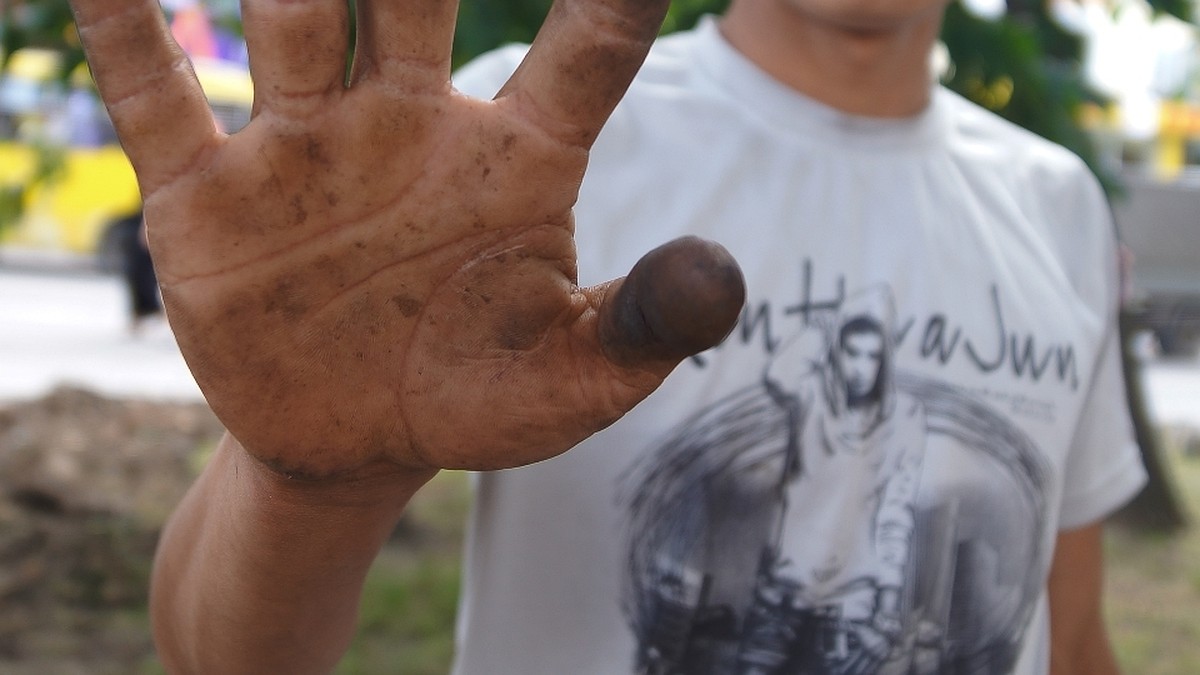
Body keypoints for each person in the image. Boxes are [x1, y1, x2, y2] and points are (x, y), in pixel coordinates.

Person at [68, 0, 1145, 674]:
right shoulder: (500, 151)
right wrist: (317, 488)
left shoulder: (1058, 206)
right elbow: (216, 657)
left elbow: (1067, 632)